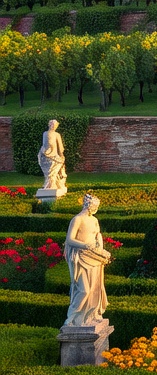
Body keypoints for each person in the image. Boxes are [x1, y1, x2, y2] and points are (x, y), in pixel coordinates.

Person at [65, 193, 112, 327]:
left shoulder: (94, 220)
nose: (96, 208)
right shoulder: (77, 219)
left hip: (94, 257)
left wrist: (102, 253)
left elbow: (98, 238)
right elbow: (69, 240)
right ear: (89, 205)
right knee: (84, 290)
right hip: (81, 257)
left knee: (96, 288)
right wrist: (85, 245)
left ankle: (92, 315)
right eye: (95, 206)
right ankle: (72, 318)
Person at [39, 119, 66, 193]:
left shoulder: (57, 134)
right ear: (49, 125)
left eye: (55, 125)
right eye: (52, 125)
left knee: (53, 171)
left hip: (54, 156)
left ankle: (52, 185)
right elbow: (44, 144)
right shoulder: (45, 133)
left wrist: (61, 154)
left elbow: (60, 147)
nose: (54, 127)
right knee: (48, 172)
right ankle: (49, 185)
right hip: (46, 155)